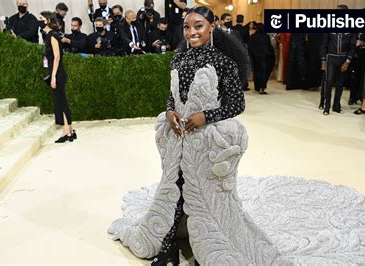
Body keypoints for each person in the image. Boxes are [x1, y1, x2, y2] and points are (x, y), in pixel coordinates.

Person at [107, 6, 278, 265]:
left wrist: (205, 117)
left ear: (212, 26)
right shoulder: (178, 59)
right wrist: (168, 112)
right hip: (178, 138)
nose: (192, 32)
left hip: (206, 142)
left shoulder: (223, 62)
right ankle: (169, 244)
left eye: (198, 26)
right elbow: (172, 96)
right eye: (187, 27)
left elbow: (237, 104)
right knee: (174, 187)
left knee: (204, 195)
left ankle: (206, 247)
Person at [39, 11, 76, 143]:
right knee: (60, 102)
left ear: (47, 21)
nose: (39, 21)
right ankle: (69, 131)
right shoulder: (48, 35)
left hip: (58, 73)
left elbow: (57, 57)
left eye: (41, 18)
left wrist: (53, 76)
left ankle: (67, 131)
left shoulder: (52, 35)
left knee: (62, 102)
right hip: (55, 72)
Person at [319, 5, 356, 115]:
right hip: (331, 57)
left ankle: (336, 106)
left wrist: (348, 61)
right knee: (329, 82)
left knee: (340, 83)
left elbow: (352, 47)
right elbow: (324, 45)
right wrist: (323, 60)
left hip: (343, 58)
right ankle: (326, 106)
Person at [249, 23, 274, 94]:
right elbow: (269, 47)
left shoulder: (253, 36)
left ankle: (257, 87)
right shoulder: (266, 37)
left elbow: (250, 47)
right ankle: (262, 88)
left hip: (255, 57)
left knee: (256, 72)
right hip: (264, 57)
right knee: (263, 72)